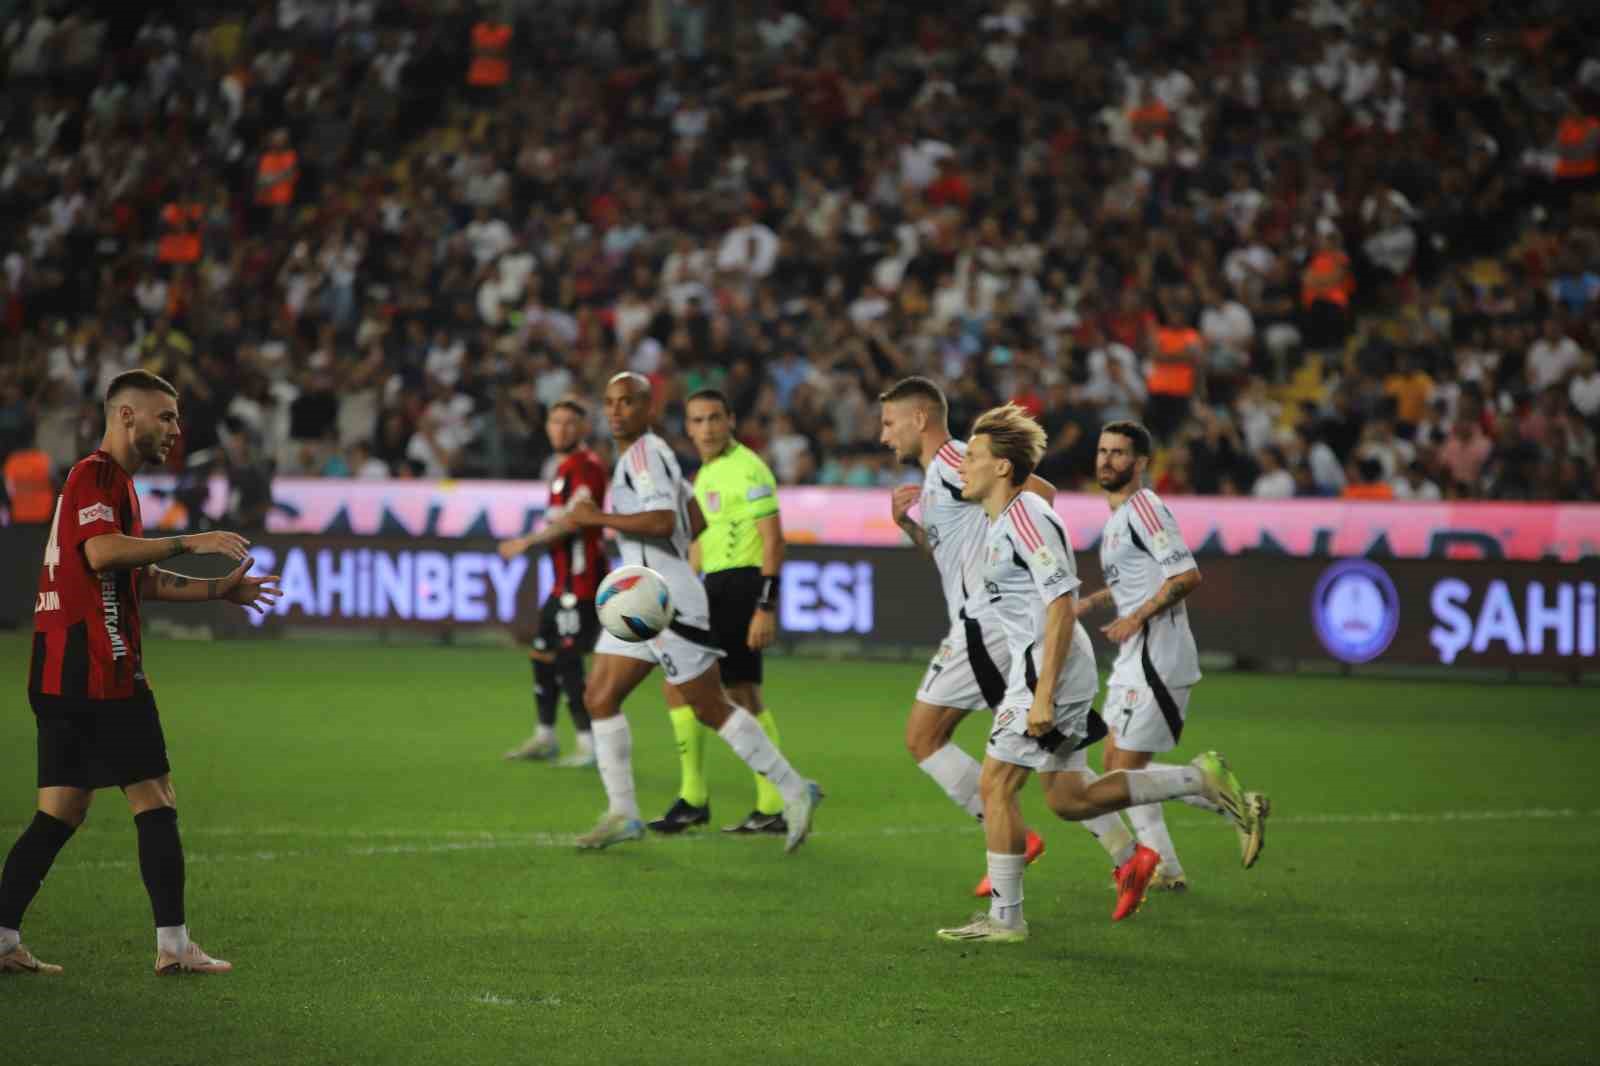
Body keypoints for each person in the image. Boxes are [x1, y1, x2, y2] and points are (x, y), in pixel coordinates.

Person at [934, 405, 1259, 944]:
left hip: (1049, 669)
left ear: (1003, 468)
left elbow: (1060, 604)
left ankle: (1006, 920)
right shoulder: (1003, 518)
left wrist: (1041, 695)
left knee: (995, 785)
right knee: (1069, 798)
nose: (961, 466)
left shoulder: (1026, 517)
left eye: (972, 457)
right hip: (1043, 665)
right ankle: (1196, 780)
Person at [0, 370, 282, 977]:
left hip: (57, 672)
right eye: (166, 417)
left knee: (61, 810)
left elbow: (134, 575)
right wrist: (194, 539)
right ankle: (175, 945)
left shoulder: (107, 483)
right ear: (126, 415)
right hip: (101, 669)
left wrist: (217, 591)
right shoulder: (97, 475)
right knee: (155, 797)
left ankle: (0, 938)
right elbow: (102, 553)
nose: (176, 431)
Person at [560, 373, 822, 852]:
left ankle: (793, 788)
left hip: (664, 602)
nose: (616, 411)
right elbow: (693, 516)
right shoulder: (648, 458)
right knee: (598, 697)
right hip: (637, 595)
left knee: (710, 706)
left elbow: (663, 521)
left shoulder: (643, 453)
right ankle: (624, 813)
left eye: (628, 402)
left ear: (648, 409)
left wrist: (596, 518)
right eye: (610, 402)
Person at [879, 377, 1060, 896]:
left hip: (989, 623)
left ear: (920, 419)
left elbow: (1040, 492)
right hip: (992, 623)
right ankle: (1141, 842)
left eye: (890, 422)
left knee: (924, 737)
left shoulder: (958, 458)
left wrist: (1019, 560)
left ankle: (1012, 843)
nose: (883, 435)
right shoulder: (940, 476)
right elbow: (950, 553)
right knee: (1061, 772)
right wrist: (909, 527)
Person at [1077, 421, 1269, 893]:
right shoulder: (1121, 517)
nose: (1107, 460)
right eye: (1102, 451)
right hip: (1134, 656)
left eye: (1119, 453)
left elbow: (1185, 574)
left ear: (1141, 463)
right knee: (1118, 768)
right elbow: (1137, 577)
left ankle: (1221, 793)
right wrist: (1097, 601)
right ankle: (1169, 865)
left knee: (1124, 774)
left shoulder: (1145, 507)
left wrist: (1137, 616)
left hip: (1158, 657)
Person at [649, 388, 790, 835]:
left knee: (717, 691)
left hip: (742, 585)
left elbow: (774, 540)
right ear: (687, 428)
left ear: (731, 419)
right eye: (697, 421)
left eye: (714, 418)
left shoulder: (749, 468)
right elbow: (699, 546)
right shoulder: (704, 474)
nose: (706, 428)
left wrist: (765, 605)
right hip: (710, 589)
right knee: (702, 688)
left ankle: (746, 801)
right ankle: (728, 800)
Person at [497, 399, 610, 768]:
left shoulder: (588, 467)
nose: (560, 429)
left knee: (567, 658)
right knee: (542, 653)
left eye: (569, 423)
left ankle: (589, 744)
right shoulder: (561, 469)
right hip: (562, 585)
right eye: (555, 421)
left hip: (583, 585)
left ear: (583, 429)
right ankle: (545, 736)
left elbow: (576, 520)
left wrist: (525, 543)